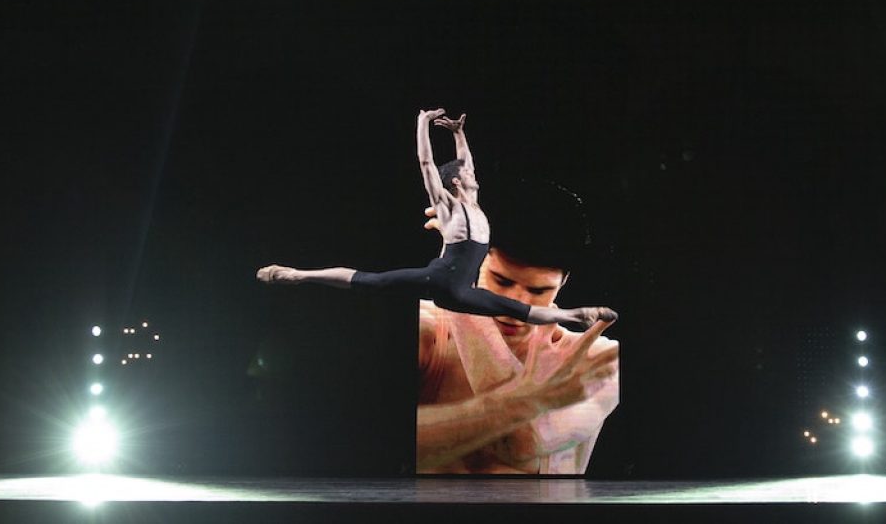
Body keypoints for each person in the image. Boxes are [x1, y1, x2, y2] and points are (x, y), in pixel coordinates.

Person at [257, 109, 617, 331]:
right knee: (371, 281)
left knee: (518, 310)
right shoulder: (447, 204)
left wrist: (459, 134)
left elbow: (467, 164)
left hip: (460, 291)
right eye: (468, 173)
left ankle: (575, 316)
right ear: (457, 182)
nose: (475, 174)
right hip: (440, 280)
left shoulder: (474, 203)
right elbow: (427, 165)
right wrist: (423, 124)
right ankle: (296, 275)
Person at [417, 185, 620, 474]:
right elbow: (380, 446)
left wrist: (454, 292)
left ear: (563, 283)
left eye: (538, 290)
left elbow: (521, 443)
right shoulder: (426, 331)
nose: (517, 305)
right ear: (476, 262)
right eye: (502, 281)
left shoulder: (599, 360)